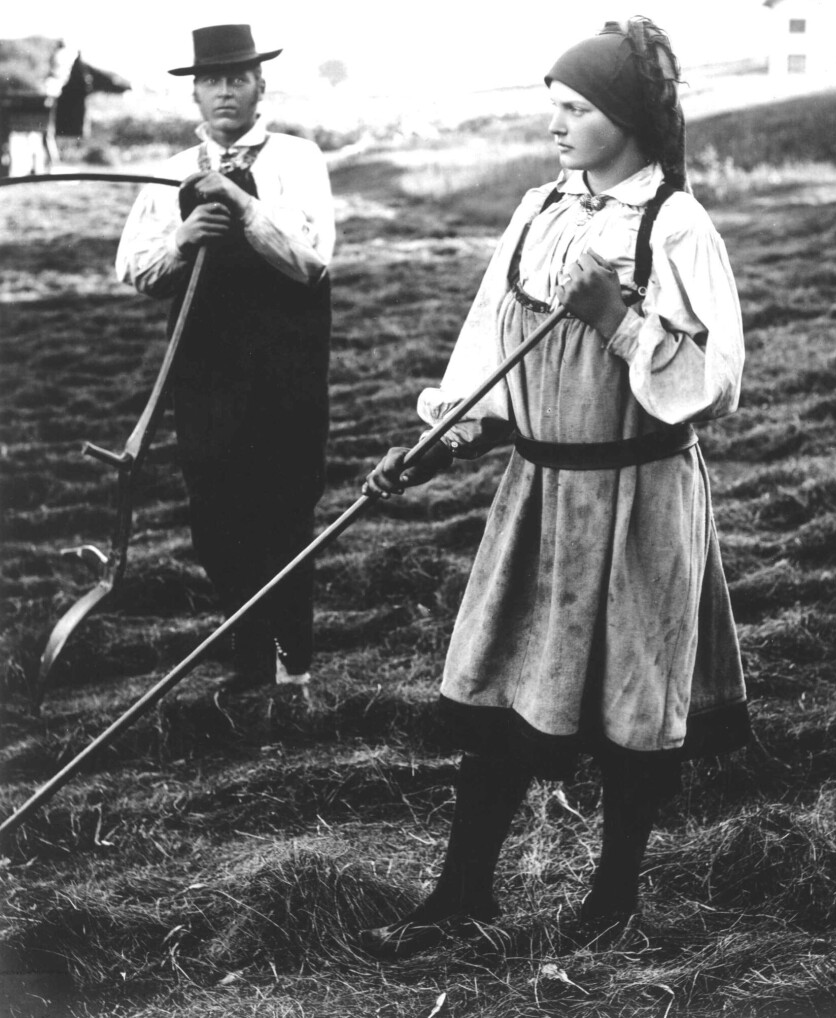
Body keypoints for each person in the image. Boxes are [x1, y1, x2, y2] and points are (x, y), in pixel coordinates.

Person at [361, 15, 749, 955]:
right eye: (553, 109)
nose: (557, 125)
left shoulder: (673, 224)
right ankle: (462, 896)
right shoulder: (539, 210)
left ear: (624, 117)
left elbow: (715, 385)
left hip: (637, 500)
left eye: (575, 108)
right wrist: (437, 442)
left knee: (628, 700)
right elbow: (488, 344)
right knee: (500, 693)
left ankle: (613, 906)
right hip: (540, 497)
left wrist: (616, 315)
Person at [116, 25, 335, 693]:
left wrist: (240, 205)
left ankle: (292, 665)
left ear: (259, 86)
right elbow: (131, 268)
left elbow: (311, 261)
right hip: (205, 373)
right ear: (196, 92)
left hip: (286, 369)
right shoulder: (168, 176)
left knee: (285, 511)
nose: (225, 91)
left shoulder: (299, 160)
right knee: (216, 517)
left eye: (238, 78)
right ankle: (249, 658)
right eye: (212, 80)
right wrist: (182, 240)